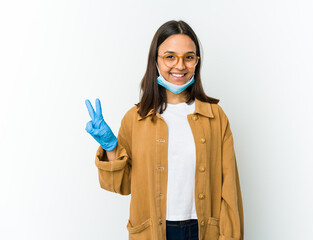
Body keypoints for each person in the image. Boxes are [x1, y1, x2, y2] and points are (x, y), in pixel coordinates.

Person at [85, 20, 244, 240]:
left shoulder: (215, 117)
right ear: (155, 61)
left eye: (189, 57)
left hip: (203, 230)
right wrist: (111, 148)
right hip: (153, 231)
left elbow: (230, 191)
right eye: (170, 56)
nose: (180, 65)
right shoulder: (136, 119)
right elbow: (121, 186)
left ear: (197, 62)